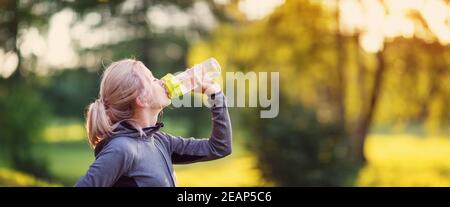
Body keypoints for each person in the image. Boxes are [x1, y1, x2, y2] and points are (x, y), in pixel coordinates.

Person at [75, 59, 232, 187]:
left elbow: (219, 147)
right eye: (152, 79)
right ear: (141, 99)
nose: (161, 81)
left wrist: (215, 95)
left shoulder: (160, 141)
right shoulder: (121, 149)